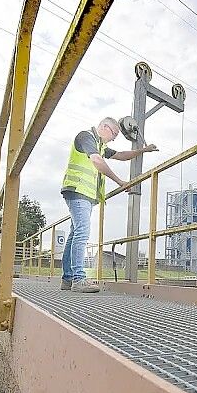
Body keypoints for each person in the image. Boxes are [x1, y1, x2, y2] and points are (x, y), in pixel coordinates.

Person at [60, 117, 157, 293]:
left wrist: (144, 149)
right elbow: (97, 160)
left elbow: (121, 155)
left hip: (83, 193)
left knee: (75, 233)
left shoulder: (100, 146)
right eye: (114, 134)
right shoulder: (86, 137)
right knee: (82, 232)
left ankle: (67, 279)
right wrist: (120, 182)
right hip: (78, 190)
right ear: (105, 127)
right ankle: (78, 279)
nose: (113, 139)